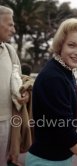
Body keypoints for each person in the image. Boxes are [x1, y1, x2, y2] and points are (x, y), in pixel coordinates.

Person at [25, 18, 77, 166]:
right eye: (72, 45)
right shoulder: (53, 77)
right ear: (60, 45)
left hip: (57, 158)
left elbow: (61, 122)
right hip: (46, 161)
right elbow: (64, 133)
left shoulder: (64, 71)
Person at [0, 5, 29, 166]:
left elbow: (21, 80)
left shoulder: (10, 51)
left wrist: (25, 93)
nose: (13, 29)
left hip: (5, 123)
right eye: (10, 24)